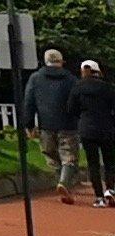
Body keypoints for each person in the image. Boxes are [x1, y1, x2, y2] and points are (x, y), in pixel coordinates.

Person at [23, 44, 81, 191]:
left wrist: (29, 124)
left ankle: (61, 180)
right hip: (69, 124)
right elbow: (78, 102)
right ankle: (64, 182)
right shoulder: (71, 79)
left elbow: (29, 102)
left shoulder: (35, 78)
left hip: (46, 125)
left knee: (50, 154)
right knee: (69, 155)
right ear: (61, 61)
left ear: (45, 61)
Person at [73, 58, 115, 209]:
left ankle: (98, 197)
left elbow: (71, 108)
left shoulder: (78, 88)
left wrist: (82, 117)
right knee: (109, 161)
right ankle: (110, 189)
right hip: (106, 128)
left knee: (93, 163)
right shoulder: (107, 87)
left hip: (87, 129)